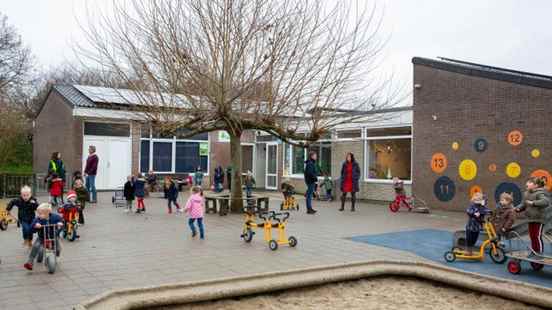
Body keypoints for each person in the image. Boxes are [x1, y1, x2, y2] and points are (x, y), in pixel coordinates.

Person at [516, 177, 550, 260]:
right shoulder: (527, 193)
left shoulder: (540, 193)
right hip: (531, 218)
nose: (526, 183)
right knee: (532, 236)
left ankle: (539, 253)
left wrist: (533, 203)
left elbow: (545, 202)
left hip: (539, 218)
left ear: (536, 185)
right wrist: (518, 208)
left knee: (537, 236)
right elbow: (524, 204)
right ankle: (534, 251)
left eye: (529, 182)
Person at [23, 203, 64, 271]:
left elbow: (61, 221)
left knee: (58, 248)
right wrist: (35, 225)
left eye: (40, 213)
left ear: (48, 213)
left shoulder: (55, 217)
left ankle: (55, 256)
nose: (38, 215)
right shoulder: (38, 219)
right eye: (38, 213)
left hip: (53, 236)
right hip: (42, 237)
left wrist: (60, 224)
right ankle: (30, 261)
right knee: (36, 246)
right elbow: (31, 228)